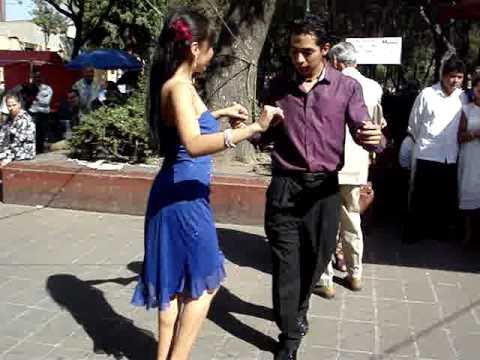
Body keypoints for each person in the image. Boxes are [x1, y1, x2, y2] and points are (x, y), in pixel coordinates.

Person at [130, 9, 283, 360]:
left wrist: (219, 115)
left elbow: (188, 126)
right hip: (184, 198)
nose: (213, 56)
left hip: (173, 191)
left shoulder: (174, 83)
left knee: (174, 287)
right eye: (212, 48)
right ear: (195, 47)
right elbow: (195, 143)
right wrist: (251, 130)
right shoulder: (180, 87)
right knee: (204, 285)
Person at [256, 15, 383, 360]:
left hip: (324, 189)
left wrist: (376, 139)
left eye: (307, 52)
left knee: (317, 260)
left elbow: (363, 127)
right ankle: (290, 333)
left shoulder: (346, 87)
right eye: (293, 52)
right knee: (285, 263)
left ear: (325, 50)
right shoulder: (278, 84)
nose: (298, 59)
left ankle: (298, 308)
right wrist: (257, 128)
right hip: (285, 185)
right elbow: (262, 136)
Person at [315, 41, 385, 299]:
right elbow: (376, 127)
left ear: (334, 62)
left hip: (328, 162)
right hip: (357, 164)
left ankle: (325, 279)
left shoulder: (327, 84)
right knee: (352, 218)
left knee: (325, 221)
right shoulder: (374, 87)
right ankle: (355, 273)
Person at [405, 56, 467, 244]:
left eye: (459, 77)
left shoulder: (463, 97)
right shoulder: (427, 94)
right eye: (451, 76)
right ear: (443, 75)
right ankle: (413, 233)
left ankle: (440, 232)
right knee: (420, 196)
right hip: (427, 152)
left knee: (444, 197)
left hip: (450, 155)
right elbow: (414, 123)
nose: (454, 81)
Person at [457, 74, 480, 247]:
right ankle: (468, 234)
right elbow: (459, 136)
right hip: (470, 156)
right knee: (469, 191)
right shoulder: (466, 109)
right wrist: (474, 134)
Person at [0, 93, 36, 165]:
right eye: (9, 106)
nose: (11, 108)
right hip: (10, 150)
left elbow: (18, 143)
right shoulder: (9, 119)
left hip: (23, 151)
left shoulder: (24, 119)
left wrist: (6, 156)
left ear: (19, 104)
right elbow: (2, 135)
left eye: (14, 105)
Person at [28, 71, 53, 153]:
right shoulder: (29, 88)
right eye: (35, 77)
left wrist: (35, 98)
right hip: (33, 113)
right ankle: (32, 150)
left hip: (43, 113)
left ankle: (40, 150)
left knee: (41, 133)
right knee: (33, 131)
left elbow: (46, 102)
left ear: (42, 78)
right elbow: (25, 99)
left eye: (39, 77)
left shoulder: (47, 88)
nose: (37, 79)